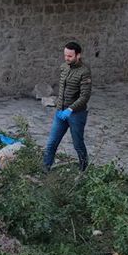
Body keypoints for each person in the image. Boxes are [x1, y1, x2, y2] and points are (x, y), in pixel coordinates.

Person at [43, 41, 92, 172]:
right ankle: (45, 169)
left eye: (70, 56)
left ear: (78, 55)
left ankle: (83, 170)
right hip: (61, 113)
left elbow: (85, 96)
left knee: (78, 144)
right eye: (65, 55)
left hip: (76, 114)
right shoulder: (64, 67)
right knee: (51, 143)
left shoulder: (84, 72)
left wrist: (71, 109)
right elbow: (62, 89)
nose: (67, 58)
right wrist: (59, 106)